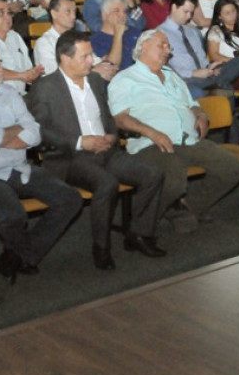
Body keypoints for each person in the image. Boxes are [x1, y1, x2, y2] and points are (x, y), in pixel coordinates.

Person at [29, 31, 165, 270]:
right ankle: (101, 247)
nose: (92, 61)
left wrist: (112, 134)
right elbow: (39, 132)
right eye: (85, 56)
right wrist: (81, 142)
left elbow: (108, 115)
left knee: (152, 173)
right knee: (107, 184)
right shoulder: (45, 88)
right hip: (70, 157)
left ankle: (139, 234)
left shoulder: (94, 81)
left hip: (105, 150)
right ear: (65, 58)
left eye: (90, 55)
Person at [0, 42, 83, 279]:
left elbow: (33, 131)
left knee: (70, 199)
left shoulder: (9, 92)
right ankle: (23, 255)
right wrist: (14, 130)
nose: (1, 68)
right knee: (13, 215)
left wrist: (2, 133)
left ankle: (20, 255)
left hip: (17, 167)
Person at [109, 30, 239, 229]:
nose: (168, 51)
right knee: (173, 181)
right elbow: (120, 119)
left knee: (232, 168)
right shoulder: (125, 79)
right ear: (144, 47)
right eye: (162, 45)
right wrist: (152, 133)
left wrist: (200, 115)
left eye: (168, 46)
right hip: (151, 144)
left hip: (187, 139)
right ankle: (140, 225)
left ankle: (187, 207)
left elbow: (192, 104)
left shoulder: (172, 76)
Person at [159, 0, 239, 98]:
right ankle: (215, 88)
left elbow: (202, 58)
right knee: (223, 87)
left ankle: (215, 86)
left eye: (191, 13)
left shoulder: (193, 32)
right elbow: (163, 67)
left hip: (207, 76)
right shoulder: (159, 34)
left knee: (237, 63)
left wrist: (211, 67)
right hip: (185, 79)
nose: (189, 17)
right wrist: (193, 73)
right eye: (186, 12)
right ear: (174, 7)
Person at [33, 0, 117, 81]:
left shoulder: (79, 38)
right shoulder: (44, 43)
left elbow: (95, 61)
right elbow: (53, 74)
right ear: (54, 14)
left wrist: (104, 64)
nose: (73, 16)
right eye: (68, 12)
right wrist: (93, 71)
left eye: (74, 12)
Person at [90, 0, 140, 70]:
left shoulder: (135, 32)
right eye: (116, 11)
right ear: (104, 14)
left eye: (124, 11)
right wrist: (118, 34)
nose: (122, 15)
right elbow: (112, 67)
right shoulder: (95, 41)